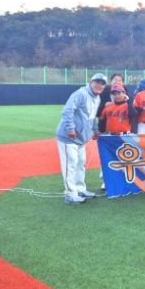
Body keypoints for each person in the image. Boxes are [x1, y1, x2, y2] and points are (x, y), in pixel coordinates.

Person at [56, 73, 106, 204]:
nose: (99, 85)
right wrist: (70, 128)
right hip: (68, 136)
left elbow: (92, 117)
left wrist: (95, 129)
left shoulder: (97, 98)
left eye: (102, 83)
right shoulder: (80, 94)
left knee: (81, 164)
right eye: (97, 82)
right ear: (90, 82)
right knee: (70, 164)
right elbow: (67, 111)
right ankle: (70, 194)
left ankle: (80, 189)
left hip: (81, 138)